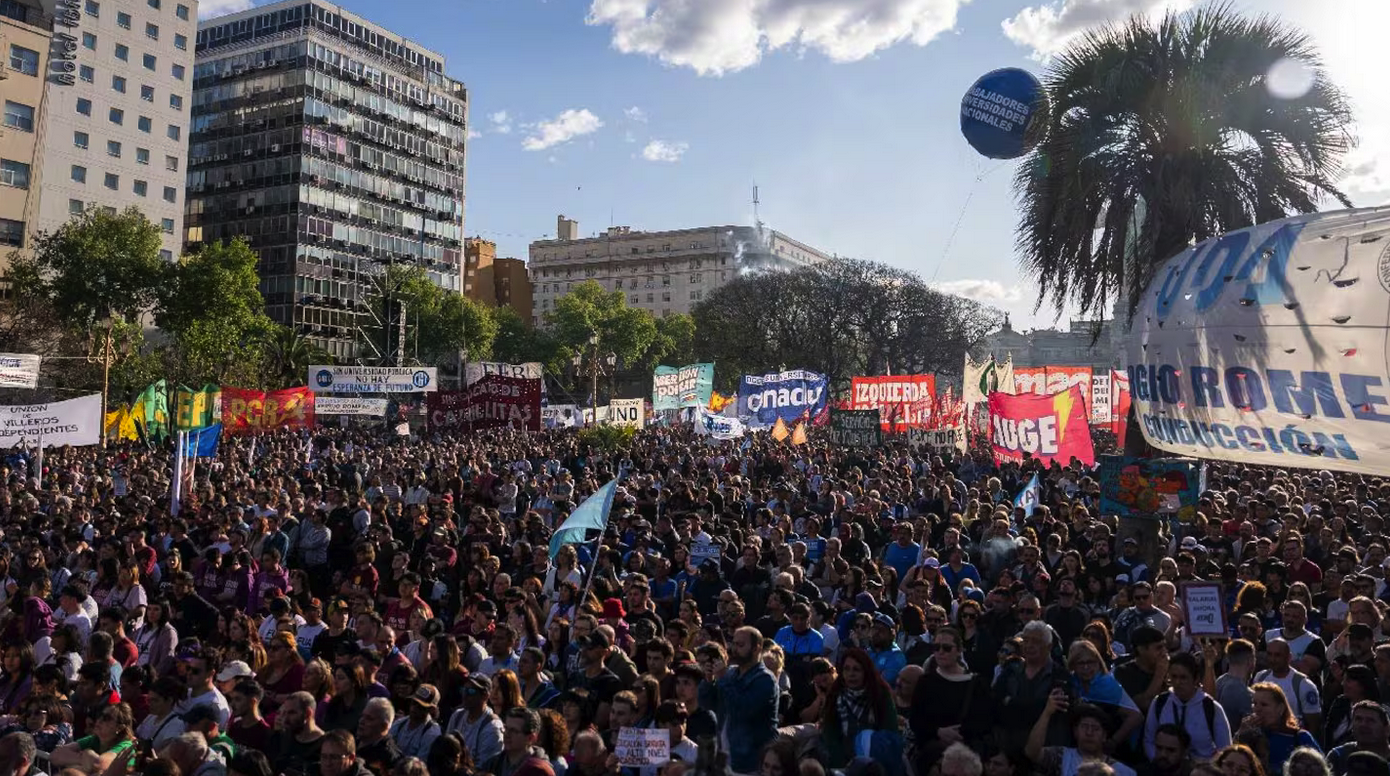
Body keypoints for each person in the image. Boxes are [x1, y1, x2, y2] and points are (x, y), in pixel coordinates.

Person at [910, 627, 990, 775]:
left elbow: (984, 721)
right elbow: (916, 719)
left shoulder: (977, 684)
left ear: (959, 651)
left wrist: (960, 735)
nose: (940, 652)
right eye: (936, 647)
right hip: (932, 758)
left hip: (966, 758)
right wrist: (938, 731)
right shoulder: (925, 682)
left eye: (946, 648)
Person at [700, 626, 778, 776]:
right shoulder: (730, 674)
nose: (735, 649)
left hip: (751, 763)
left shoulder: (765, 679)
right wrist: (709, 681)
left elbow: (743, 710)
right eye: (734, 644)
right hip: (725, 759)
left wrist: (722, 679)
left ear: (756, 649)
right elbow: (707, 704)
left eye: (741, 645)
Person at [1145, 652, 1233, 760]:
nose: (1177, 682)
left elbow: (1224, 749)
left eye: (1183, 678)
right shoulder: (1160, 703)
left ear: (1196, 679)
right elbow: (1149, 740)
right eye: (1174, 677)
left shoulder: (1212, 708)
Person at [1026, 695, 1138, 776]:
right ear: (1075, 731)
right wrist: (1047, 713)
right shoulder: (1061, 757)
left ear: (1104, 736)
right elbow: (1032, 752)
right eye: (1084, 726)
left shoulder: (1124, 772)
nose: (1089, 733)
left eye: (1095, 728)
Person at [1243, 683, 1321, 774]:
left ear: (1280, 709)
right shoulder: (1251, 736)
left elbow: (1321, 768)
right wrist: (1241, 735)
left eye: (1264, 704)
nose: (1257, 709)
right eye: (1255, 703)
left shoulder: (1299, 738)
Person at [50, 701, 136, 774]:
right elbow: (55, 755)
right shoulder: (94, 739)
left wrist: (88, 753)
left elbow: (100, 764)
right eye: (100, 715)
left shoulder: (126, 745)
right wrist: (83, 758)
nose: (99, 720)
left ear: (119, 728)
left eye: (106, 718)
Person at [443, 675, 503, 768]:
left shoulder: (492, 727)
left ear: (485, 696)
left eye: (471, 691)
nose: (465, 695)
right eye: (464, 689)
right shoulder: (457, 716)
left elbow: (483, 768)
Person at [1327, 702, 1390, 776]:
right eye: (1358, 719)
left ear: (1387, 730)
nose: (1363, 724)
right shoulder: (1338, 756)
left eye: (1371, 720)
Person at [389, 685, 443, 761]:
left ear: (431, 710)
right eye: (414, 703)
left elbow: (420, 765)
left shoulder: (432, 733)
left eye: (421, 706)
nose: (415, 708)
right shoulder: (400, 724)